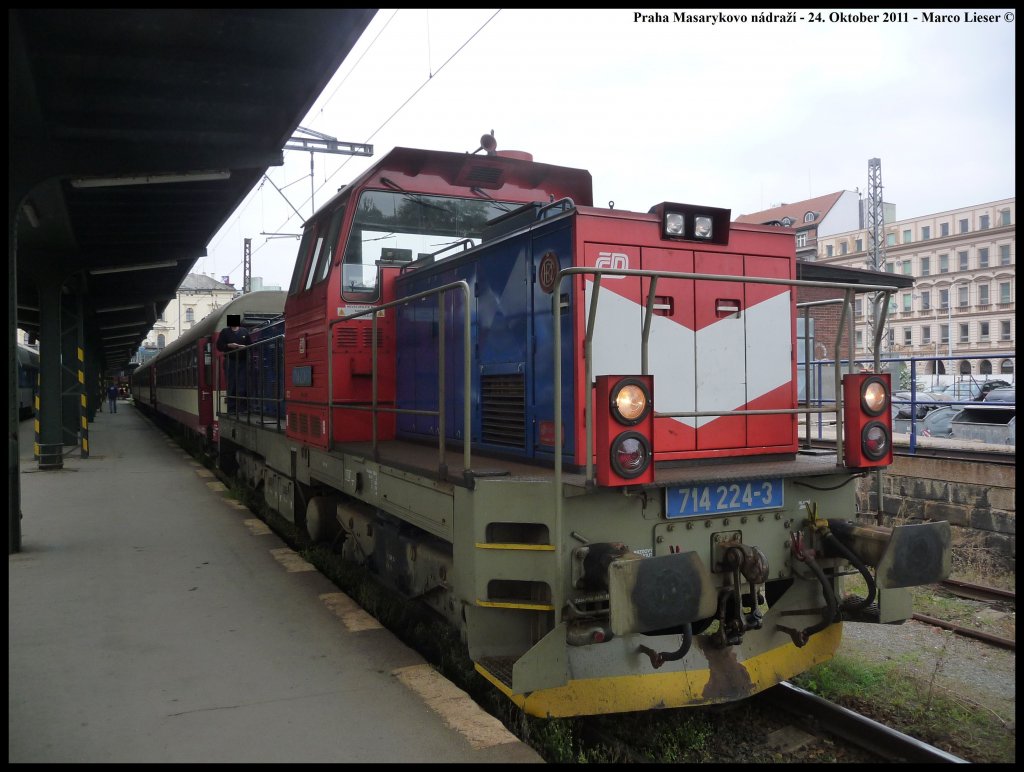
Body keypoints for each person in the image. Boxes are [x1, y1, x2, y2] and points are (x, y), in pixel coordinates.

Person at [216, 313, 251, 413]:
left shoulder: (244, 331)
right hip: (230, 361)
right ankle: (231, 408)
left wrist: (245, 347)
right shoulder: (225, 332)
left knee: (242, 384)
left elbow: (250, 344)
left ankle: (243, 408)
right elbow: (219, 346)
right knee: (232, 384)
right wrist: (229, 345)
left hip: (243, 361)